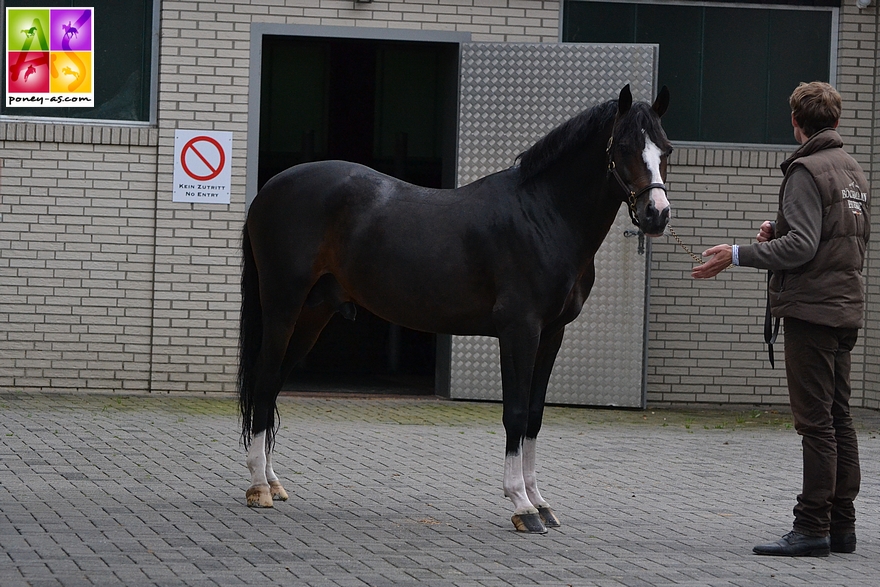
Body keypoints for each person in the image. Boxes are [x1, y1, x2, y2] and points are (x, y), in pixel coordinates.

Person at [692, 81, 870, 557]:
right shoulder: (852, 170)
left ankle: (811, 528)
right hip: (845, 308)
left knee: (816, 424)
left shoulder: (805, 170)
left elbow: (804, 247)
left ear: (796, 124)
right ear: (835, 121)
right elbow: (840, 240)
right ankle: (841, 526)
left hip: (812, 311)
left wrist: (736, 252)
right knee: (838, 419)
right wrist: (781, 229)